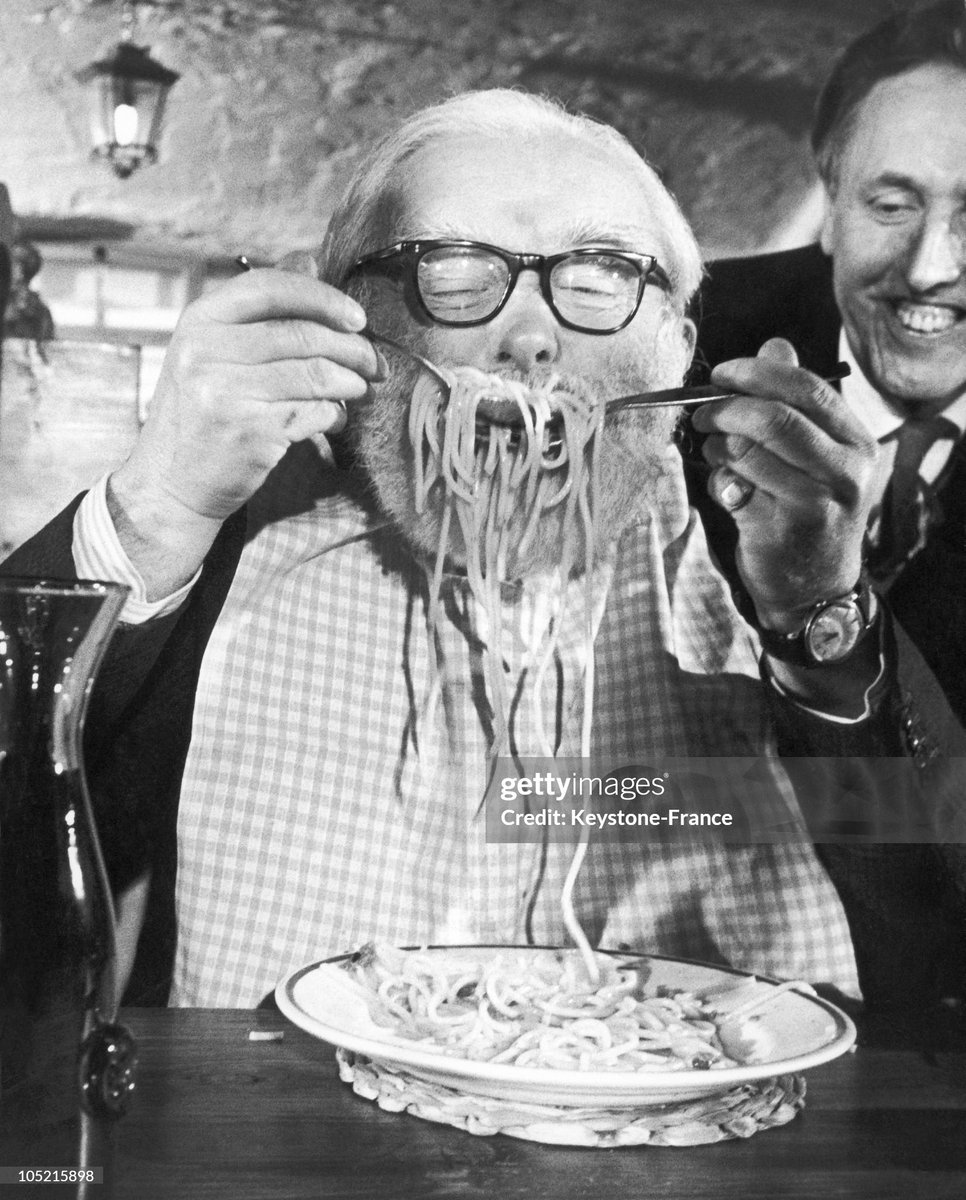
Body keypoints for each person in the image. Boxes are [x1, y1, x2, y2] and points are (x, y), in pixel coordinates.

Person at [2, 90, 961, 1032]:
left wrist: (819, 612)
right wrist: (159, 505)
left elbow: (927, 925)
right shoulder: (233, 548)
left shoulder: (755, 535)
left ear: (680, 342)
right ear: (352, 321)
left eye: (597, 277)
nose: (531, 337)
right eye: (454, 274)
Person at [693, 0, 966, 1039]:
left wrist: (822, 611)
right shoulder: (676, 338)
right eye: (890, 205)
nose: (931, 268)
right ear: (828, 194)